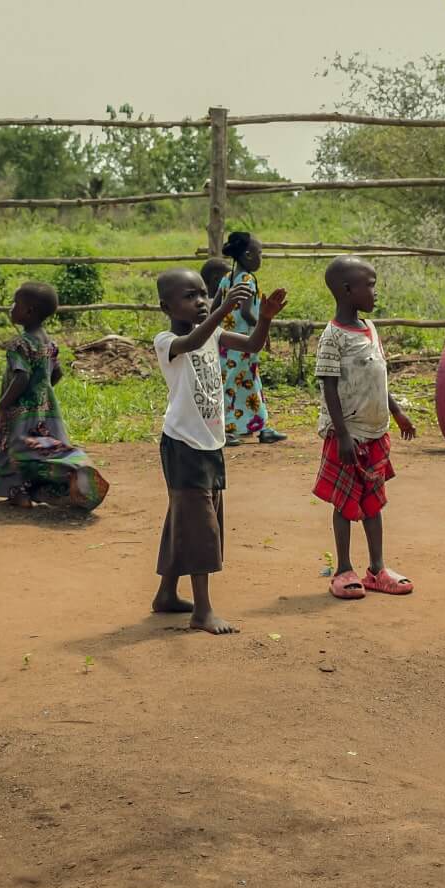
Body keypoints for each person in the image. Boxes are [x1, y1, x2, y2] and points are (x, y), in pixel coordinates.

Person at [151, 267, 287, 634]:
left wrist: (266, 320)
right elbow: (194, 341)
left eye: (202, 294)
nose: (199, 301)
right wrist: (222, 308)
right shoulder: (166, 341)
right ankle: (203, 611)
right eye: (189, 296)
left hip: (210, 443)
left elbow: (252, 345)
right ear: (166, 306)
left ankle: (166, 594)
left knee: (187, 519)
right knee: (202, 526)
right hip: (183, 444)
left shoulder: (213, 333)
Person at [314, 256, 415, 599]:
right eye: (368, 285)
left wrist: (398, 413)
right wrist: (341, 434)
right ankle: (343, 569)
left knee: (374, 502)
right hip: (348, 434)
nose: (374, 292)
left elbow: (378, 376)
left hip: (375, 433)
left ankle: (377, 569)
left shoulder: (370, 329)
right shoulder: (333, 336)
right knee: (345, 502)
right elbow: (328, 386)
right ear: (346, 290)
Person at [0, 282, 109, 511]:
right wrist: (41, 393)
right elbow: (57, 372)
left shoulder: (20, 344)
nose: (11, 308)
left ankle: (28, 489)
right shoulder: (49, 343)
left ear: (29, 311)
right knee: (38, 449)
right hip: (45, 410)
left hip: (19, 410)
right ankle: (45, 484)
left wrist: (2, 407)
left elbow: (21, 377)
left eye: (15, 304)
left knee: (15, 451)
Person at [214, 232, 286, 445]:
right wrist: (263, 325)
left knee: (247, 383)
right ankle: (226, 429)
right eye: (259, 253)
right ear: (248, 255)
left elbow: (213, 308)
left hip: (227, 342)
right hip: (245, 341)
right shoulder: (247, 279)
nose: (261, 257)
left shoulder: (227, 278)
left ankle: (260, 426)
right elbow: (246, 313)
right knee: (235, 383)